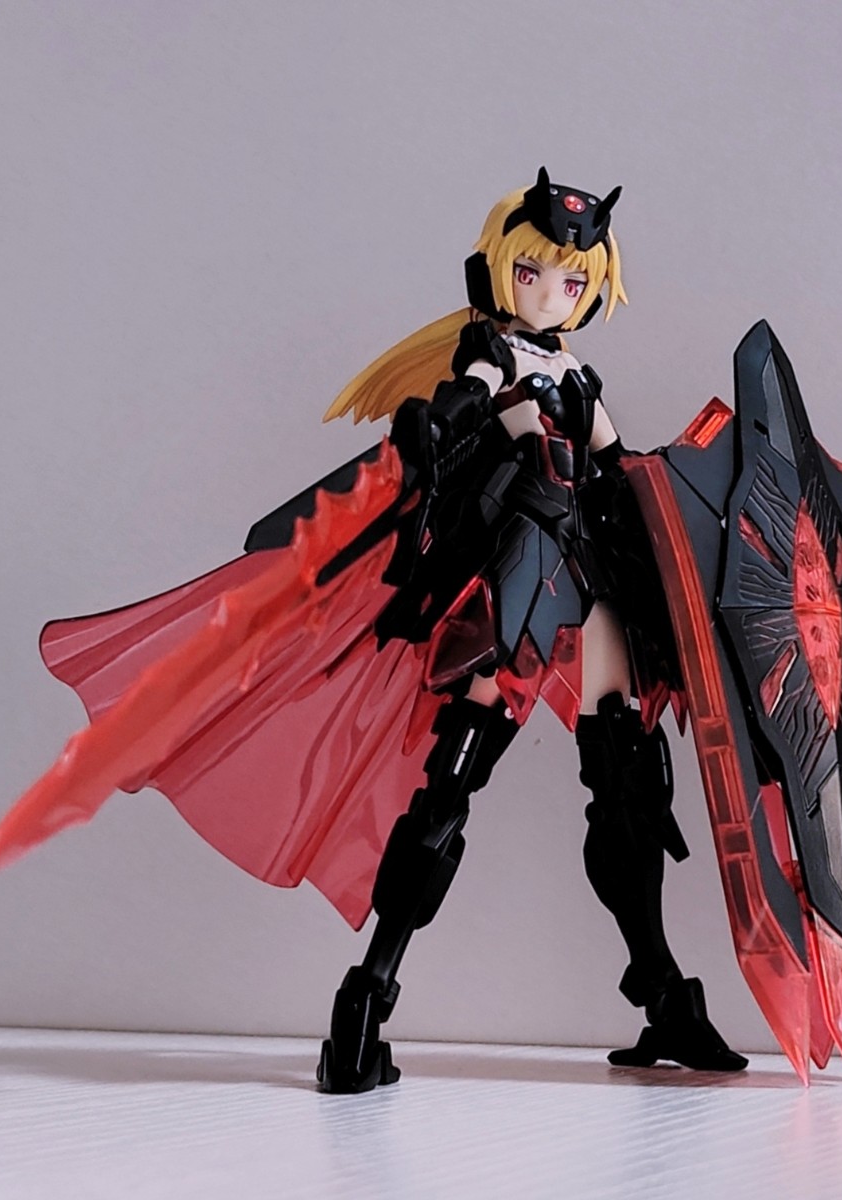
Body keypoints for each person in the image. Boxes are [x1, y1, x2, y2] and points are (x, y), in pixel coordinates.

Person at [311, 170, 746, 1092]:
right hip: (521, 568)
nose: (554, 292)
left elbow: (623, 466)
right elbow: (467, 399)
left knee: (626, 770)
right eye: (535, 273)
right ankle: (366, 1000)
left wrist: (710, 491)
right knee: (458, 770)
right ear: (500, 269)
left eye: (574, 279)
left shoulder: (577, 373)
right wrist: (435, 423)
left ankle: (664, 997)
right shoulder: (493, 352)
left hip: (591, 570)